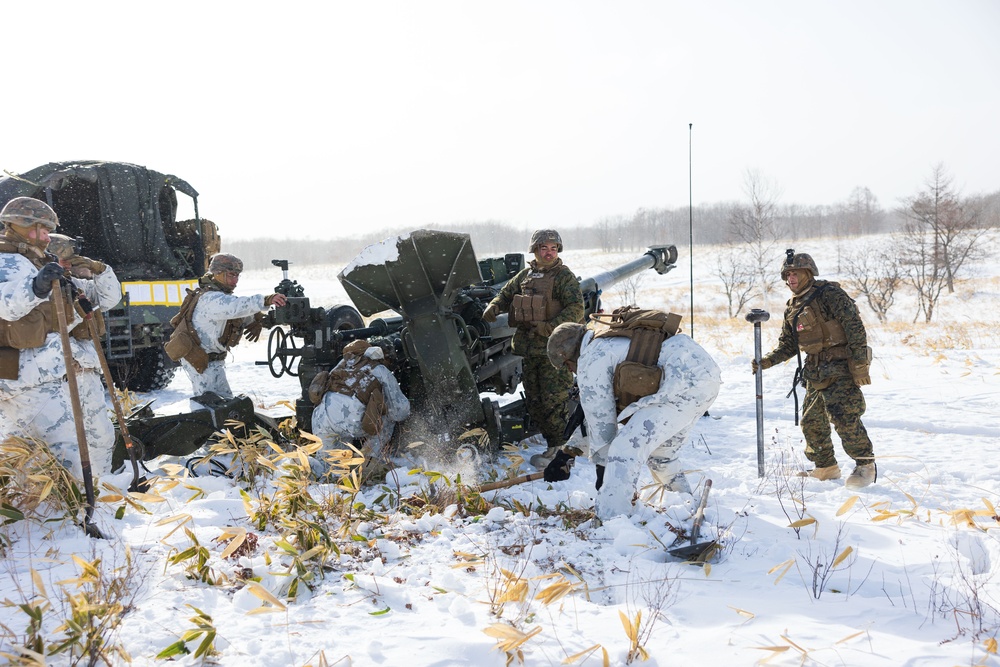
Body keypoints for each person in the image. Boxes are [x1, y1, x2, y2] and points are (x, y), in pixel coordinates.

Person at [543, 319, 721, 521]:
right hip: (704, 377)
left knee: (625, 449)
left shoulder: (591, 359)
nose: (570, 371)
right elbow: (598, 416)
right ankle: (683, 504)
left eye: (566, 366)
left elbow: (602, 422)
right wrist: (568, 452)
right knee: (661, 454)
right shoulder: (607, 342)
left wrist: (604, 471)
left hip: (680, 384)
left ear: (568, 356)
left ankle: (611, 520)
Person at [0, 198, 117, 478]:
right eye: (42, 231)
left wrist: (99, 271)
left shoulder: (41, 263)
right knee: (49, 455)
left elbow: (104, 299)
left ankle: (94, 499)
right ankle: (57, 514)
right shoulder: (8, 263)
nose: (46, 238)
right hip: (22, 375)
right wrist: (35, 287)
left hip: (57, 371)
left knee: (90, 444)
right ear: (24, 226)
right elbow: (7, 305)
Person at [752, 251, 876, 489]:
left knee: (844, 417)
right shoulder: (792, 307)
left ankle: (865, 465)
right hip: (815, 372)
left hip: (840, 367)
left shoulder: (829, 294)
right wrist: (766, 361)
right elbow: (788, 345)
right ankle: (825, 467)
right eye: (787, 275)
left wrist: (860, 365)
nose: (791, 279)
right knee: (811, 421)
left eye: (795, 273)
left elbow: (855, 328)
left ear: (808, 273)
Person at [481, 230, 584, 467]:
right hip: (530, 350)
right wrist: (495, 306)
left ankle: (561, 452)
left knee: (554, 400)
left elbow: (575, 309)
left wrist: (550, 327)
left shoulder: (563, 277)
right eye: (544, 248)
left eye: (553, 248)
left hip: (554, 351)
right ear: (535, 250)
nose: (549, 253)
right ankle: (553, 443)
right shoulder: (526, 276)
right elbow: (506, 294)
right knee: (535, 401)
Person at [165, 253, 287, 399]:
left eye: (237, 276)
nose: (235, 281)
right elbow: (234, 307)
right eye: (231, 275)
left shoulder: (220, 296)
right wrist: (266, 300)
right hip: (199, 359)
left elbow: (235, 313)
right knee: (208, 403)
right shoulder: (210, 299)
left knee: (224, 401)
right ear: (217, 274)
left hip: (212, 360)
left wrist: (257, 319)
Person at [309, 339, 410, 467]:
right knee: (388, 418)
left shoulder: (341, 365)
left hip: (320, 419)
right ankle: (368, 460)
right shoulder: (378, 369)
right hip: (350, 421)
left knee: (329, 466)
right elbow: (399, 411)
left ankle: (311, 473)